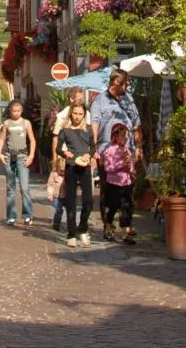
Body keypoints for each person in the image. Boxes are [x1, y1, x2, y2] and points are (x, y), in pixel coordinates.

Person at [90, 69, 143, 222]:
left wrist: (138, 147)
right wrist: (94, 150)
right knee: (108, 192)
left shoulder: (128, 99)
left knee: (128, 191)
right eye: (125, 84)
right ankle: (108, 226)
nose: (127, 87)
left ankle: (126, 227)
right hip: (107, 154)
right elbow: (94, 126)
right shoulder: (100, 100)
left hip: (127, 153)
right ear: (116, 82)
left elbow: (136, 124)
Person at [56, 101, 93, 246]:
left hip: (85, 167)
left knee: (88, 201)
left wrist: (88, 155)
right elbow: (58, 149)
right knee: (70, 202)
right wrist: (65, 153)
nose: (77, 117)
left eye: (80, 114)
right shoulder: (65, 130)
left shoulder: (88, 130)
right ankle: (71, 233)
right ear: (71, 113)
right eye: (75, 113)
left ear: (84, 115)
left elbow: (93, 148)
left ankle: (82, 229)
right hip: (71, 167)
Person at [0, 99, 36, 226]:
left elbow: (32, 140)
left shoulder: (26, 123)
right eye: (14, 111)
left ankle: (28, 215)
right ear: (10, 111)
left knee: (24, 188)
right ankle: (11, 215)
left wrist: (31, 156)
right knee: (10, 188)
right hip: (10, 156)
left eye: (18, 111)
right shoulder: (7, 123)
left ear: (21, 111)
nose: (16, 113)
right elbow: (2, 138)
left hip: (22, 157)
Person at [100, 120, 136, 244]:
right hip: (113, 184)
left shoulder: (126, 150)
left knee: (127, 208)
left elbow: (131, 168)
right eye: (123, 135)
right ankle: (109, 229)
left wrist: (130, 165)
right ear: (115, 136)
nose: (125, 138)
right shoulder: (109, 150)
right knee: (113, 207)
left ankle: (127, 233)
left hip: (126, 183)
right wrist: (122, 163)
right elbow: (108, 168)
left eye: (126, 136)